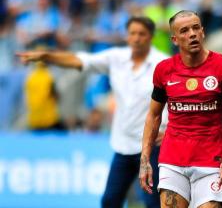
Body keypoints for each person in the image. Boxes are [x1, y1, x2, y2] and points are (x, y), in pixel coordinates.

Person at [16, 16, 167, 208]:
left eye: (142, 34)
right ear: (127, 36)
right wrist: (48, 57)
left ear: (151, 37)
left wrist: (170, 130)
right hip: (123, 145)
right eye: (132, 33)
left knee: (153, 202)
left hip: (152, 146)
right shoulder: (116, 58)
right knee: (110, 201)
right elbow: (79, 60)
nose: (136, 38)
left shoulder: (163, 64)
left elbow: (177, 99)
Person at [139, 10, 222, 208]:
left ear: (203, 32)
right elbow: (154, 115)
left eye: (196, 28)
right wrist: (145, 159)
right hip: (173, 160)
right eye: (185, 30)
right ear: (174, 39)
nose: (192, 34)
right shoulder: (164, 70)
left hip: (212, 160)